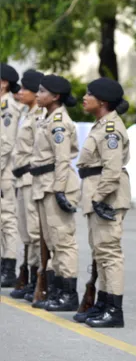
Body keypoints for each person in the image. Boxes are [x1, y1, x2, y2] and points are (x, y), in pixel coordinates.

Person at [75, 78, 131, 327]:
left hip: (107, 196)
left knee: (109, 253)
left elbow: (112, 169)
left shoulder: (110, 130)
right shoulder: (101, 125)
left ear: (103, 101)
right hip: (97, 194)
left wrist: (98, 198)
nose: (84, 97)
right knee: (100, 252)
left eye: (90, 94)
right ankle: (103, 302)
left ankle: (114, 310)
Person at [30, 75, 80, 311]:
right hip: (43, 184)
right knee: (51, 242)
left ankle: (68, 294)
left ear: (55, 96)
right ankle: (58, 289)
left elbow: (62, 160)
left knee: (62, 242)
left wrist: (59, 190)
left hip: (55, 184)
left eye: (42, 91)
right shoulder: (45, 118)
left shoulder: (59, 122)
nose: (37, 95)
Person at [10, 69, 43, 300]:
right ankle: (30, 276)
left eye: (25, 89)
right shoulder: (26, 112)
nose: (20, 92)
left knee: (34, 231)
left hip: (32, 178)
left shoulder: (40, 116)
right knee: (24, 230)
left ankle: (38, 279)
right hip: (21, 177)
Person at [0, 63, 23, 286]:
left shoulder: (8, 107)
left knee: (7, 219)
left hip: (5, 170)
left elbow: (5, 143)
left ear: (4, 83)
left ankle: (8, 267)